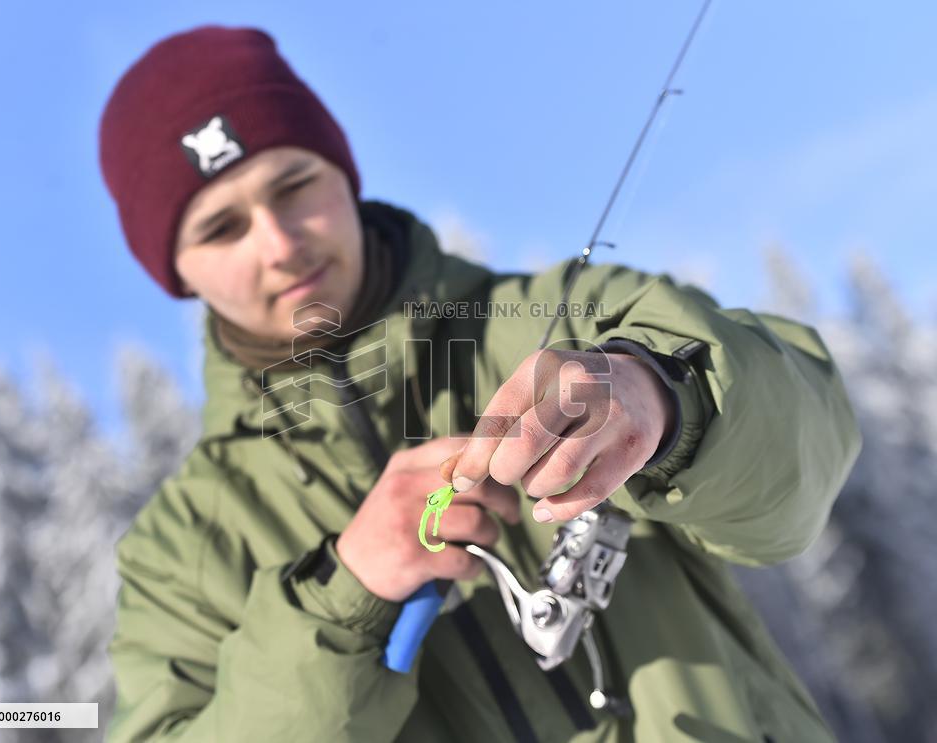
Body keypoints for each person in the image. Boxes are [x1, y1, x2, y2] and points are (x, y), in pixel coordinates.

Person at [97, 24, 862, 743]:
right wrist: (346, 592)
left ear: (343, 174)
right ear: (176, 274)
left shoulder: (568, 318)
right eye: (222, 227)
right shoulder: (181, 551)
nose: (279, 243)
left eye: (294, 186)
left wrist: (661, 395)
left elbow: (810, 447)